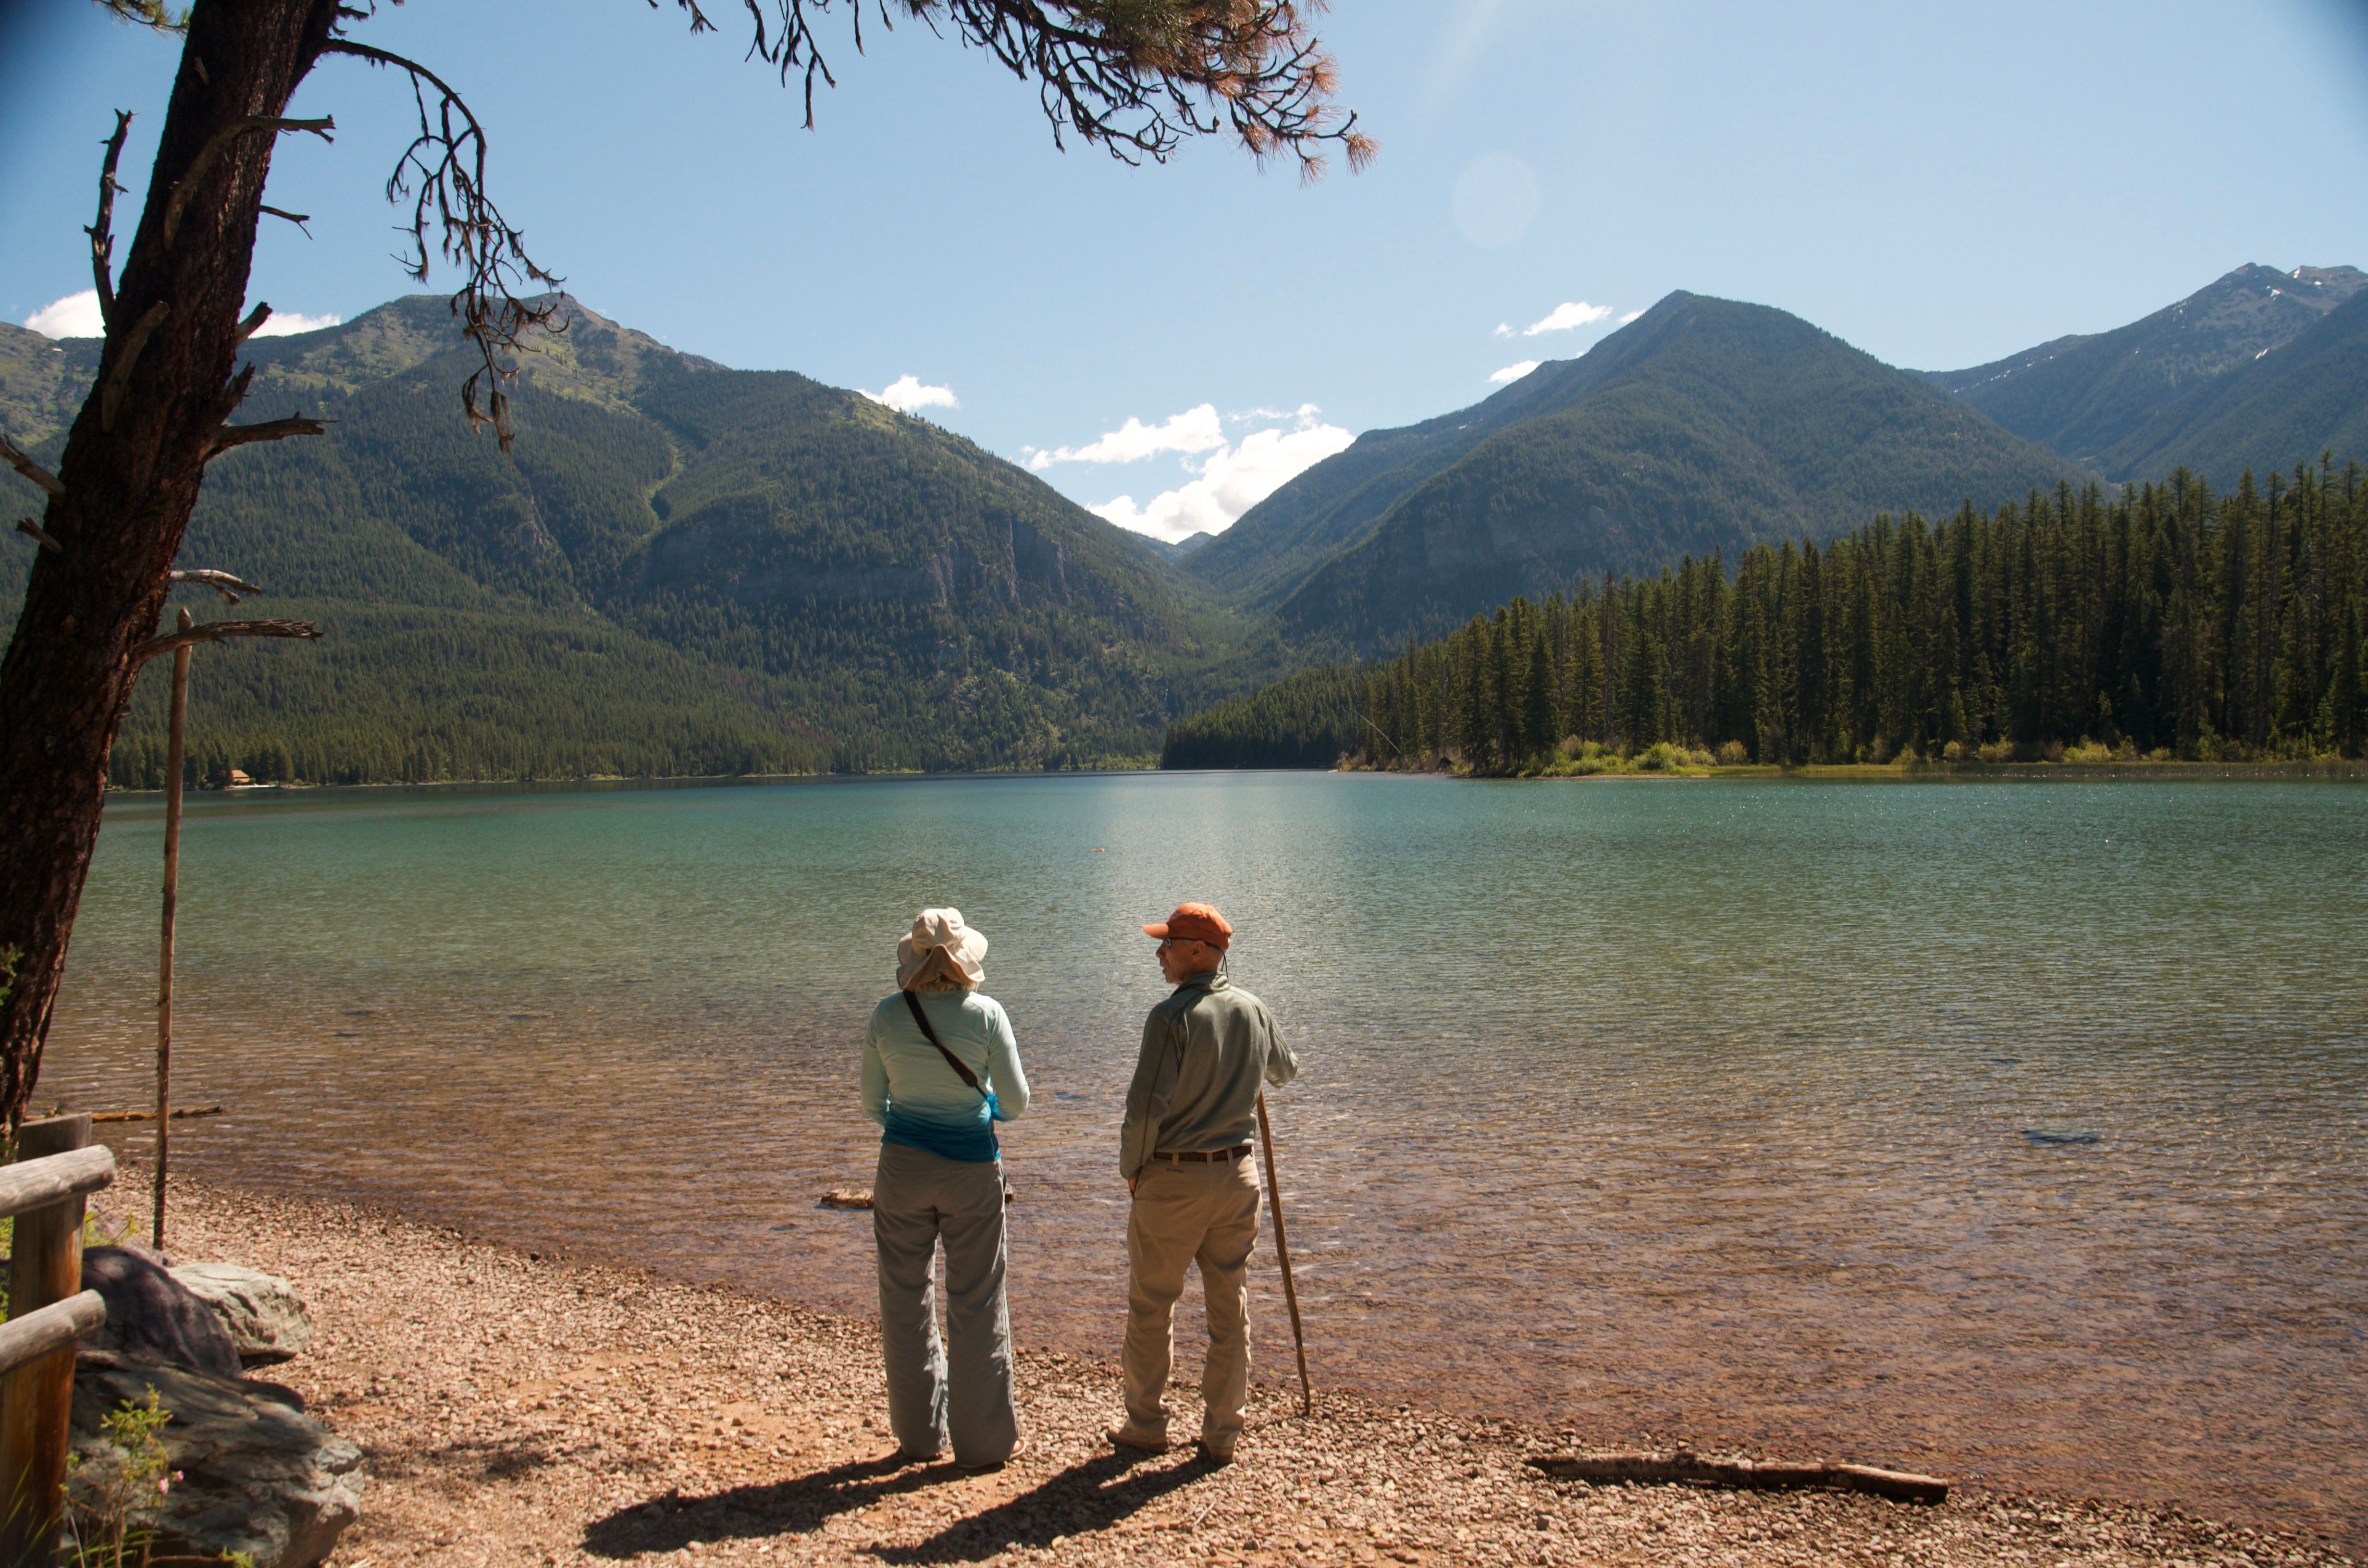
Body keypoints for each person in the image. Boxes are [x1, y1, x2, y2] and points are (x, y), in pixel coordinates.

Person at [1108, 901, 1297, 1463]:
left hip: (1172, 1177)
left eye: (1167, 944)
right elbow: (1285, 1072)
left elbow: (1144, 1109)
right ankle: (1222, 1433)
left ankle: (1145, 1424)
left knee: (1151, 1304)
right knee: (1228, 1302)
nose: (1159, 954)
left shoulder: (1170, 1018)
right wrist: (1245, 1054)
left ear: (1199, 952)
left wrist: (1132, 1171)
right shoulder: (1252, 1008)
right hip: (1238, 1177)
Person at [861, 907, 1030, 1471]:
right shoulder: (987, 1014)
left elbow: (871, 1105)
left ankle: (919, 1438)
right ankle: (982, 1446)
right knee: (977, 1299)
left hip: (902, 1168)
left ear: (911, 959)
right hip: (971, 1171)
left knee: (904, 1299)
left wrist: (912, 1121)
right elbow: (1016, 1103)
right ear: (966, 960)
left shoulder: (886, 1016)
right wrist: (984, 1110)